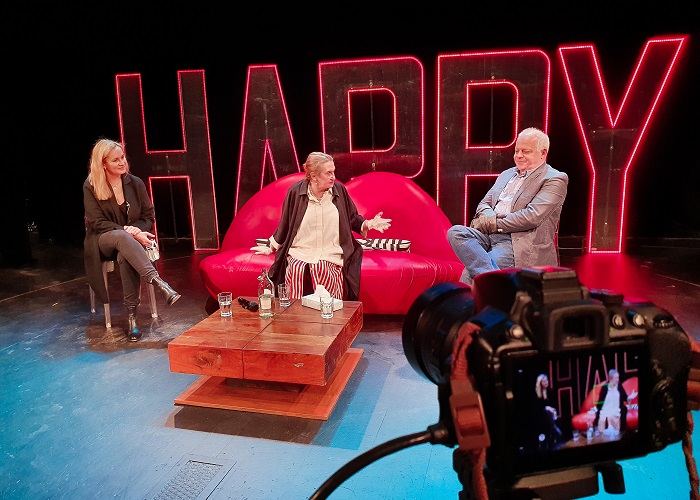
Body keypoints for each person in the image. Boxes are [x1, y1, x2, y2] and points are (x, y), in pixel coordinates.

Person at [250, 152, 391, 301]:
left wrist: (369, 224)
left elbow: (352, 218)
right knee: (297, 269)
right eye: (328, 173)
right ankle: (296, 313)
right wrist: (271, 247)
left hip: (330, 255)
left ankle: (330, 312)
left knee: (322, 269)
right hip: (300, 253)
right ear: (314, 176)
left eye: (333, 172)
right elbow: (285, 224)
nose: (333, 177)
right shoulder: (296, 192)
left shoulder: (339, 191)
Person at [83, 138, 181, 342]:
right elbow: (97, 222)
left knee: (125, 256)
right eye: (115, 160)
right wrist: (133, 233)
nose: (122, 162)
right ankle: (159, 282)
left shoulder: (135, 183)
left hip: (128, 245)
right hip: (103, 240)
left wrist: (137, 230)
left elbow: (148, 216)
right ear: (103, 164)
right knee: (121, 237)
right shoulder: (91, 185)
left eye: (123, 157)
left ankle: (132, 319)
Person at [447, 127, 568, 285]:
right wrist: (488, 218)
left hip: (515, 242)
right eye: (517, 151)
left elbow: (531, 216)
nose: (519, 155)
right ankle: (494, 282)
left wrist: (494, 224)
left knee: (471, 272)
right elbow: (484, 203)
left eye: (526, 151)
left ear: (543, 153)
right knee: (456, 232)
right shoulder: (507, 174)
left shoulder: (554, 179)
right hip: (488, 234)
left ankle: (485, 286)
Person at [594, 369, 637, 436]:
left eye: (618, 377)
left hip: (617, 409)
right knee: (603, 418)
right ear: (610, 378)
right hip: (606, 409)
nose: (618, 380)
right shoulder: (605, 387)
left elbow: (625, 397)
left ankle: (621, 434)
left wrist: (630, 397)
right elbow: (600, 401)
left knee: (622, 411)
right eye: (616, 378)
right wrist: (596, 409)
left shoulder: (619, 386)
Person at [534, 373, 562, 448]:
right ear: (540, 383)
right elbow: (537, 408)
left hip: (549, 416)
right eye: (544, 381)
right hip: (539, 416)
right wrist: (546, 408)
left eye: (547, 380)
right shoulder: (536, 393)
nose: (546, 382)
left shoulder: (549, 391)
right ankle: (554, 429)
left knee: (550, 412)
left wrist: (551, 409)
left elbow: (552, 404)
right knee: (546, 412)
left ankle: (553, 431)